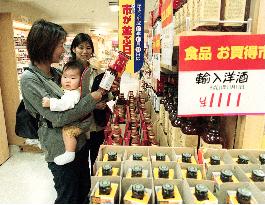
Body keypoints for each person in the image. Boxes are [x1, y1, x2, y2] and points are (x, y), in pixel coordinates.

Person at [20, 19, 102, 204]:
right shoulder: (30, 79)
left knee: (83, 190)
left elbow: (77, 101)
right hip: (59, 148)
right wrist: (92, 100)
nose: (64, 50)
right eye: (60, 45)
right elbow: (60, 117)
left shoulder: (57, 74)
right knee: (68, 196)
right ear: (45, 45)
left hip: (79, 143)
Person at [70, 33, 118, 173]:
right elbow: (68, 100)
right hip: (78, 127)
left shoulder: (99, 72)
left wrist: (113, 91)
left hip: (97, 124)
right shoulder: (68, 72)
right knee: (79, 164)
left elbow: (107, 95)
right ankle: (83, 191)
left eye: (88, 48)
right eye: (81, 47)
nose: (85, 51)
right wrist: (92, 104)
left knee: (97, 161)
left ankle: (96, 188)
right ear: (73, 49)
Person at [42, 60, 85, 165]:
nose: (67, 81)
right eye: (65, 77)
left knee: (68, 133)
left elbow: (65, 104)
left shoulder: (74, 93)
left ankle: (70, 153)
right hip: (72, 119)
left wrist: (51, 103)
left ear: (81, 81)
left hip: (73, 122)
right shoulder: (68, 90)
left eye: (73, 78)